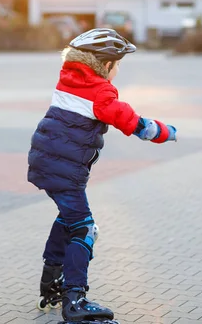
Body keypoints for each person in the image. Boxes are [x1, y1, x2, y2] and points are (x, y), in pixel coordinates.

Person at [28, 28, 177, 323]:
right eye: (118, 64)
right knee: (85, 229)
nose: (118, 70)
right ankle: (75, 300)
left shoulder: (68, 78)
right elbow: (132, 123)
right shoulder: (101, 91)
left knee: (68, 220)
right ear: (105, 64)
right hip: (64, 170)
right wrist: (165, 131)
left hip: (46, 163)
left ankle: (52, 284)